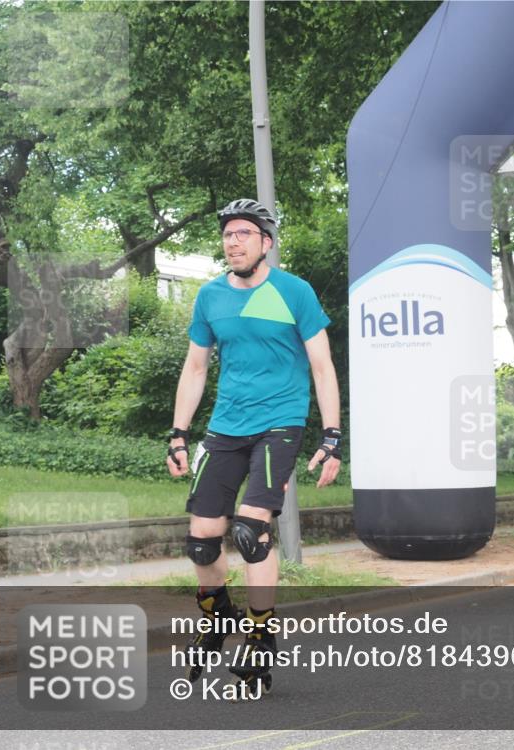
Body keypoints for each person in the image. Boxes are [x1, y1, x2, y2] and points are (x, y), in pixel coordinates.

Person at [167, 198, 341, 692]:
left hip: (280, 423)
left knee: (249, 532)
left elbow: (322, 367)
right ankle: (217, 615)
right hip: (226, 425)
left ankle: (261, 636)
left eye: (244, 233)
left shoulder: (294, 291)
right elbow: (196, 368)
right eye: (227, 234)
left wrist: (331, 437)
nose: (233, 241)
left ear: (266, 242)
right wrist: (178, 434)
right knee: (201, 539)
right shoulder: (210, 296)